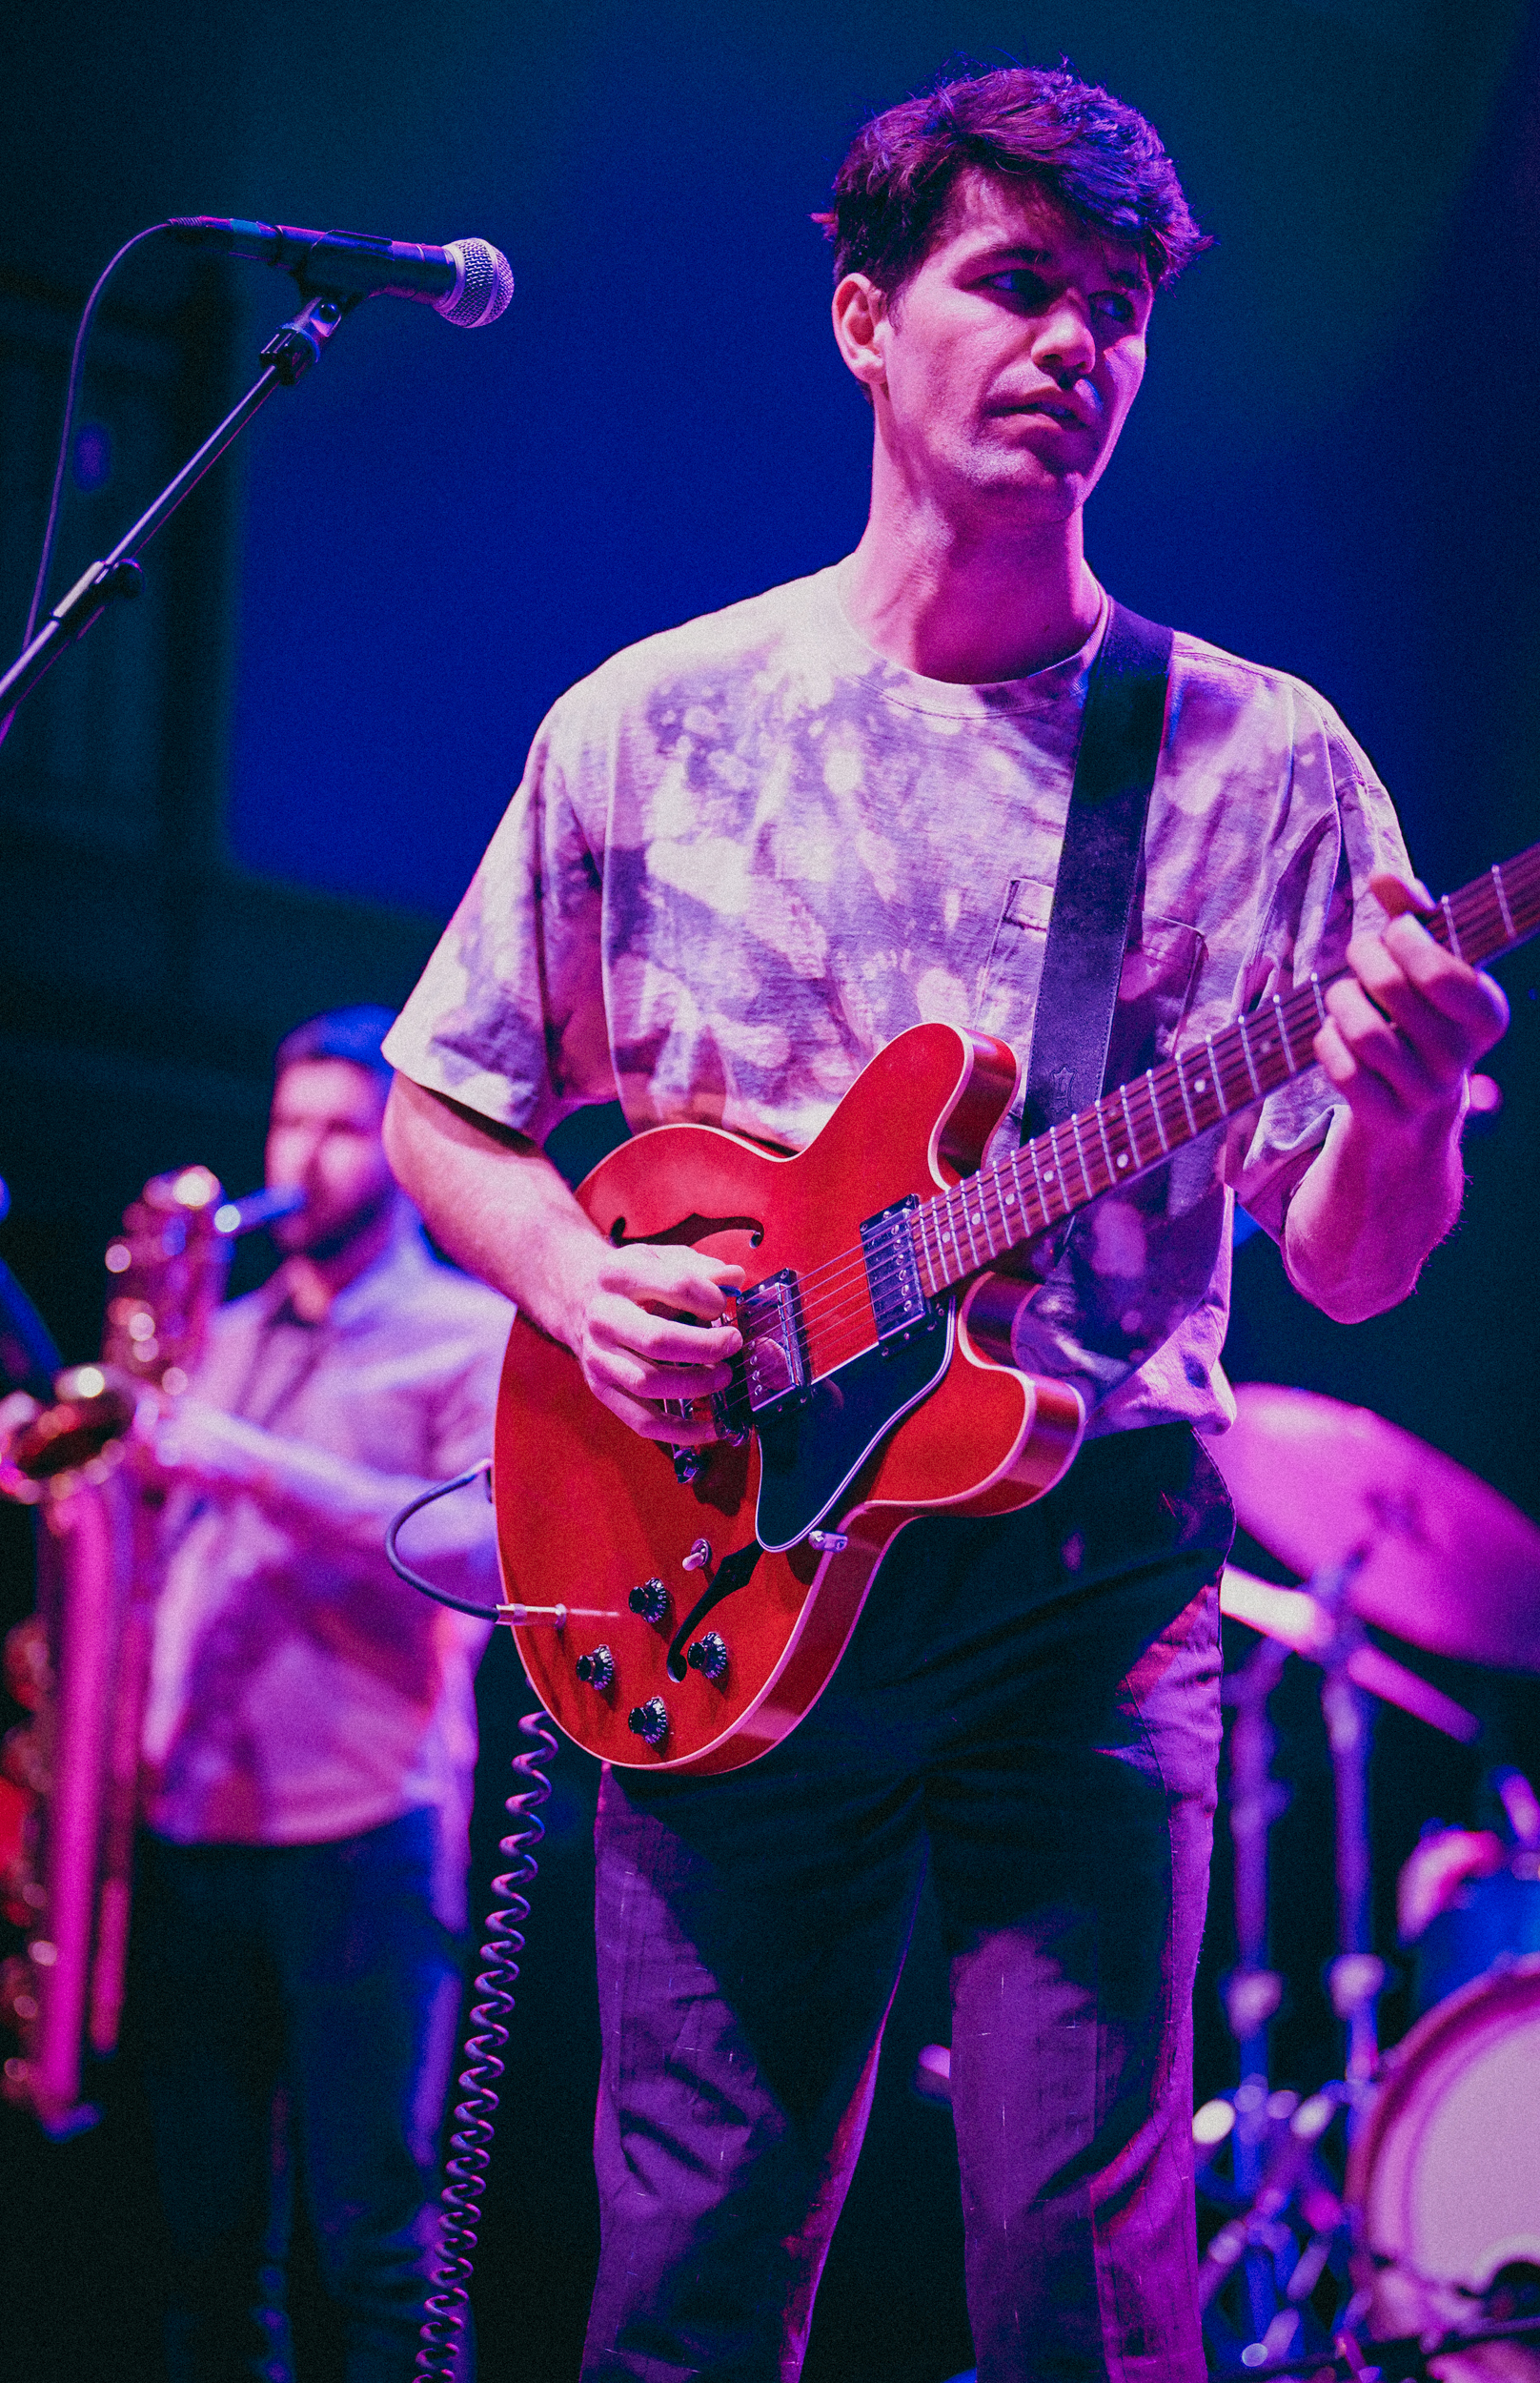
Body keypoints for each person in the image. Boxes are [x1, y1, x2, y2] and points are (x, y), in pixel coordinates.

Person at [377, 67, 1510, 2383]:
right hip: (718, 1552)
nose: (1077, 342)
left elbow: (1355, 1255)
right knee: (689, 2269)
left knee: (1087, 2288)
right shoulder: (652, 722)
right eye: (1017, 283)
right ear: (865, 319)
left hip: (1084, 1579)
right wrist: (580, 1279)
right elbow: (444, 1101)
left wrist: (1401, 1116)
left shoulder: (1265, 760)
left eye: (1119, 306)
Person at [129, 1005, 514, 2383]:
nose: (304, 1156)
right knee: (202, 2251)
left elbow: (484, 1552)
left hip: (362, 1827)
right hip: (194, 1821)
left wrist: (244, 1461)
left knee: (375, 2244)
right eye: (290, 1123)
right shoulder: (219, 1337)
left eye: (344, 1129)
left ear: (401, 1153)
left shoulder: (473, 1334)